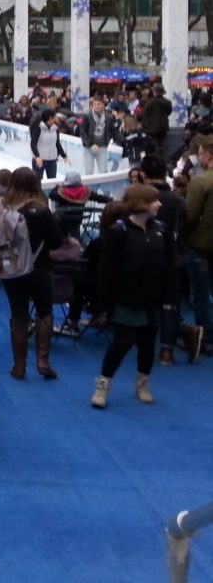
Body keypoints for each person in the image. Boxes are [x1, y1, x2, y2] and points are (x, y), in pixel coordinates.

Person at [90, 183, 181, 409]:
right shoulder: (118, 232)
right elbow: (106, 270)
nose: (159, 204)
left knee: (148, 343)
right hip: (125, 298)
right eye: (154, 200)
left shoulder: (161, 229)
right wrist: (103, 303)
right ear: (141, 204)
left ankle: (143, 384)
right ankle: (102, 386)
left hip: (153, 298)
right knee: (121, 343)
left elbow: (170, 265)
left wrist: (171, 296)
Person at [0, 167, 63, 380]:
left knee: (18, 315)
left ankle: (19, 365)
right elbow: (56, 242)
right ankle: (43, 361)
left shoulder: (3, 209)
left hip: (11, 268)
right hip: (40, 267)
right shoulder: (41, 210)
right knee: (44, 313)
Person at [180, 137, 213, 358]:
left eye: (200, 153)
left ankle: (207, 340)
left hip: (200, 244)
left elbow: (189, 216)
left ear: (208, 157)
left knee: (201, 294)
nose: (198, 157)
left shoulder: (201, 182)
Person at [78, 95, 119, 176]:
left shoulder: (109, 117)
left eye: (99, 104)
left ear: (103, 105)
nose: (96, 106)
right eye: (95, 104)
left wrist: (119, 142)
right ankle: (89, 188)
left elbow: (114, 131)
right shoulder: (87, 116)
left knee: (103, 171)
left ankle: (104, 188)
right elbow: (82, 132)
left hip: (102, 147)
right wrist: (90, 144)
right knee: (89, 171)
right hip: (89, 148)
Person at [29, 110, 69, 180]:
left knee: (52, 181)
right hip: (40, 159)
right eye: (55, 116)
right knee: (37, 181)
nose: (56, 118)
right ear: (50, 118)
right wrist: (37, 156)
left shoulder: (55, 129)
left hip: (52, 159)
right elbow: (33, 144)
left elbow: (57, 143)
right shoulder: (38, 128)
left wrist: (64, 156)